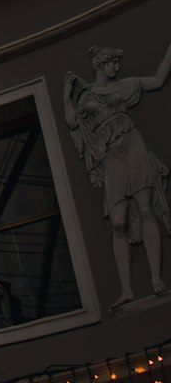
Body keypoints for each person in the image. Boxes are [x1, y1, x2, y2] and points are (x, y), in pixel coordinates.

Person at [64, 43, 171, 306]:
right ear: (101, 64)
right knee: (118, 221)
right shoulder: (87, 97)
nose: (117, 67)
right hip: (112, 158)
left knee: (145, 209)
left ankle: (156, 278)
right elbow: (72, 123)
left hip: (134, 149)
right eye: (112, 63)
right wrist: (66, 94)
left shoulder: (124, 86)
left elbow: (158, 80)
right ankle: (127, 290)